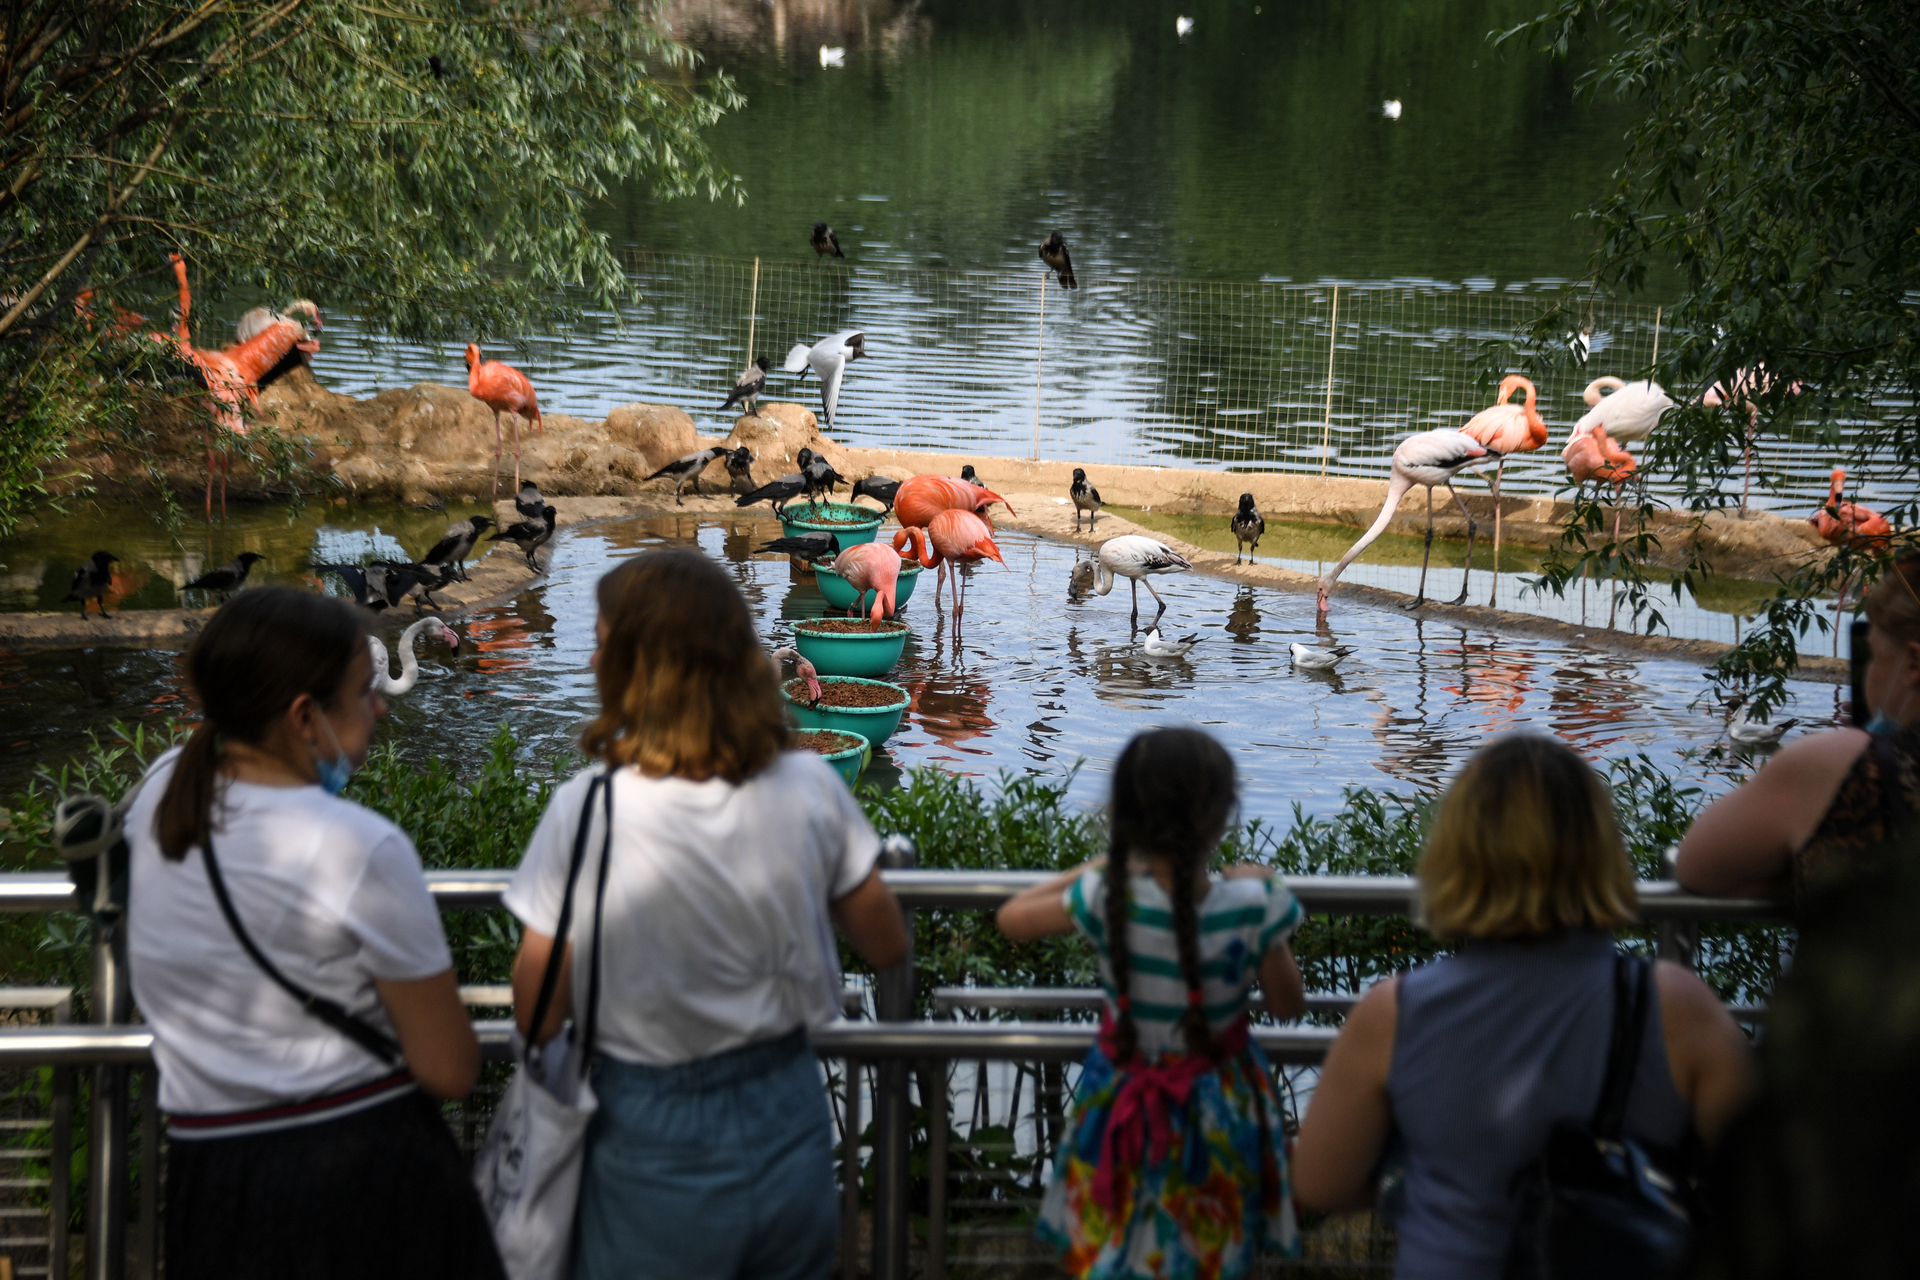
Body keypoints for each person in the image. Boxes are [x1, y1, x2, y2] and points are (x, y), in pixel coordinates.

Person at [505, 550, 907, 1280]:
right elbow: (884, 939)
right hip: (787, 1110)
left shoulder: (591, 807)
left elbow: (538, 1003)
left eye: (600, 642)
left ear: (638, 669)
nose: (591, 658)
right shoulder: (807, 787)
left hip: (647, 1129)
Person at [125, 588, 502, 1280]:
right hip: (355, 1181)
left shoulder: (157, 794)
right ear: (304, 717)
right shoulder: (357, 847)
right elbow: (450, 1070)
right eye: (364, 694)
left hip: (209, 1176)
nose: (382, 706)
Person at [1290, 734, 1753, 1280]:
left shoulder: (1395, 1011)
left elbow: (1321, 1182)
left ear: (1455, 853)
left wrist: (1427, 1175)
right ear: (1601, 850)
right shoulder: (1677, 1005)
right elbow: (1757, 1183)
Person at [996, 727, 1308, 1280]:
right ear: (1221, 818)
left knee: (1116, 1255)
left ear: (1125, 818)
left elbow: (1012, 918)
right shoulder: (1254, 905)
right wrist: (1268, 890)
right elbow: (1288, 1007)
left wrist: (1102, 865)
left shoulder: (1104, 897)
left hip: (1120, 1103)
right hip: (1220, 1115)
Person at [1676, 554, 1920, 905]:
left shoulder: (1845, 765)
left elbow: (1695, 867)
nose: (1866, 673)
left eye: (1875, 657)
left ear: (1913, 664)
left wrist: (1814, 872)